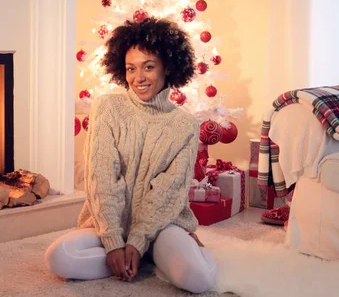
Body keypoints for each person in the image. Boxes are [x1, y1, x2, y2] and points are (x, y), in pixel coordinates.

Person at [44, 17, 218, 294]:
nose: (138, 78)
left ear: (168, 67)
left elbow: (169, 190)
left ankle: (150, 253)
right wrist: (114, 241)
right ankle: (136, 260)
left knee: (199, 280)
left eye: (148, 67)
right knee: (59, 257)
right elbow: (101, 176)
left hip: (160, 227)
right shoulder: (107, 107)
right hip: (107, 226)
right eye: (130, 68)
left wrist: (138, 240)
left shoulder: (185, 125)